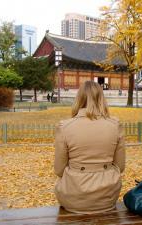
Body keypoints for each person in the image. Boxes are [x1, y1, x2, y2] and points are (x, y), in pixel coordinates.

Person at [54, 81, 125, 214]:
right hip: (107, 197)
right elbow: (120, 166)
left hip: (74, 197)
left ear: (79, 98)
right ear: (101, 98)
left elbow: (58, 170)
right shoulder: (115, 125)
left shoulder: (65, 127)